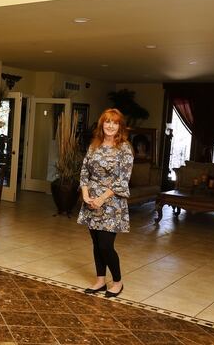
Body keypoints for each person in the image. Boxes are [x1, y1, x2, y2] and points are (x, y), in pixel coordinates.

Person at [78, 108, 133, 298]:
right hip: (91, 201)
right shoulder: (95, 145)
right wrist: (86, 195)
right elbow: (85, 171)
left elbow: (122, 180)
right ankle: (100, 280)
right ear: (102, 124)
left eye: (115, 122)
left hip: (112, 203)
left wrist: (102, 198)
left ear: (120, 126)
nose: (110, 125)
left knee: (105, 245)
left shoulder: (124, 149)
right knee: (95, 242)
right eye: (107, 122)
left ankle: (117, 281)